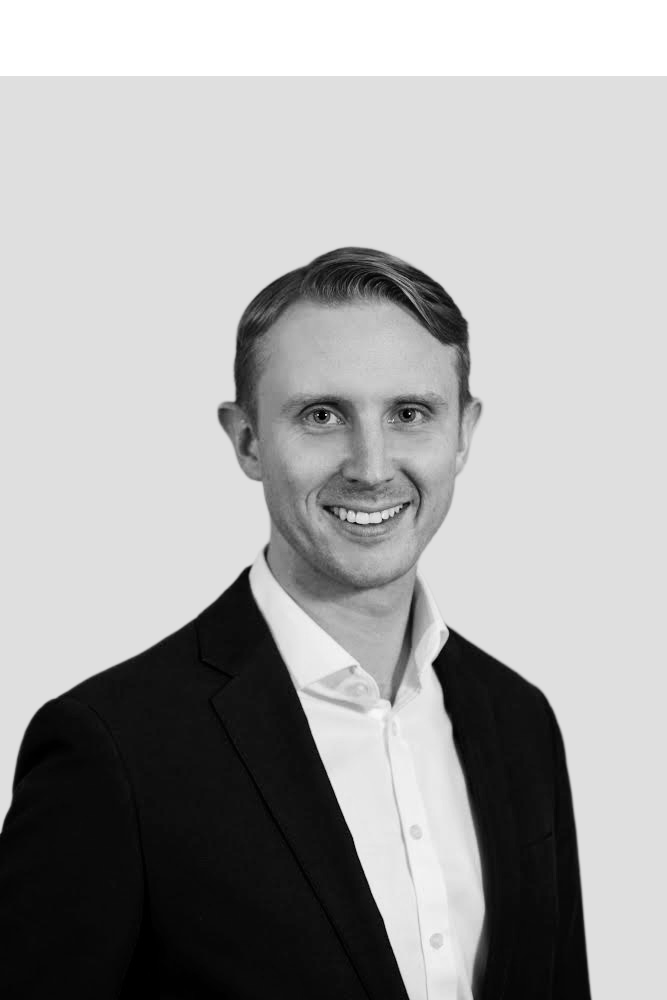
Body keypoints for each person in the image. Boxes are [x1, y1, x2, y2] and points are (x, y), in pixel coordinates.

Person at [0, 248, 591, 999]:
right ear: (247, 440)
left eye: (409, 414)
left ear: (463, 432)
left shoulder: (519, 720)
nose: (371, 466)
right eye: (321, 416)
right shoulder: (113, 748)